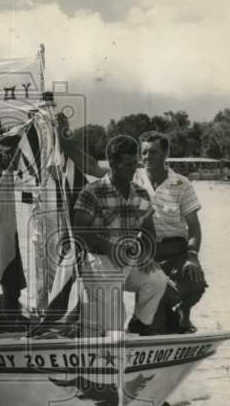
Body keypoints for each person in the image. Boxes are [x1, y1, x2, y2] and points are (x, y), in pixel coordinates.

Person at [72, 135, 168, 337]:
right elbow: (80, 231)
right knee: (114, 329)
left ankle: (139, 325)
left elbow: (149, 230)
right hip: (101, 263)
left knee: (157, 279)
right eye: (127, 164)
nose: (133, 169)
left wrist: (146, 254)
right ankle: (111, 334)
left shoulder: (139, 193)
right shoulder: (92, 192)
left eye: (135, 163)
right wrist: (109, 247)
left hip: (129, 260)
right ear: (113, 164)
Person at [136, 131, 207, 332]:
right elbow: (94, 168)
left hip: (177, 250)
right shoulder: (132, 177)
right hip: (146, 253)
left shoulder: (181, 184)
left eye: (154, 152)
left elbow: (194, 227)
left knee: (195, 283)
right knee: (152, 328)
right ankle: (167, 313)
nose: (147, 157)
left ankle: (183, 311)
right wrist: (65, 140)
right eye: (144, 152)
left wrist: (192, 256)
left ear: (165, 153)